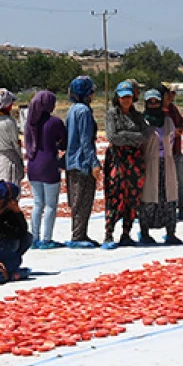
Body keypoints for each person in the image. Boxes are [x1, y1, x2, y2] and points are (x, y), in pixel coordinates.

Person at [103, 81, 146, 247]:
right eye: (123, 97)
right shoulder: (112, 114)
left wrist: (125, 135)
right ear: (117, 98)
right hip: (117, 160)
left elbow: (144, 136)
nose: (126, 100)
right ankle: (109, 233)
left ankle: (126, 233)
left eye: (129, 96)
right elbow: (112, 137)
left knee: (132, 196)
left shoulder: (138, 116)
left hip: (135, 161)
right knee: (115, 194)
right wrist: (132, 136)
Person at [139, 89, 183, 245]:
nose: (153, 104)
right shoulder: (143, 122)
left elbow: (171, 139)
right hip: (149, 163)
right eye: (150, 102)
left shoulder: (167, 121)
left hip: (167, 162)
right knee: (149, 197)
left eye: (156, 101)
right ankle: (144, 232)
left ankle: (170, 232)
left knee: (169, 197)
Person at [24, 90, 67, 249]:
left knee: (37, 203)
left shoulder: (30, 122)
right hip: (49, 165)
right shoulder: (55, 122)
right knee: (50, 205)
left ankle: (34, 238)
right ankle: (47, 239)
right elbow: (64, 143)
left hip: (33, 164)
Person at [65, 75, 101, 247]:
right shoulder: (84, 111)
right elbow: (86, 141)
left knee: (76, 200)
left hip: (71, 160)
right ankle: (78, 235)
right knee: (83, 199)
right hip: (81, 162)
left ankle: (79, 233)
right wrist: (94, 163)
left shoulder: (72, 109)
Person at [0, 180, 32, 281]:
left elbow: (22, 231)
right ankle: (5, 267)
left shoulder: (8, 212)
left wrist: (18, 213)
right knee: (13, 243)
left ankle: (8, 265)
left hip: (2, 245)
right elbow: (9, 233)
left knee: (27, 237)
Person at [163, 83, 183, 221]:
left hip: (176, 150)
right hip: (164, 153)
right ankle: (166, 210)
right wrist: (172, 132)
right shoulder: (159, 111)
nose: (173, 96)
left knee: (181, 181)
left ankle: (181, 208)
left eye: (174, 94)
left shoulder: (173, 109)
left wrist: (181, 127)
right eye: (171, 93)